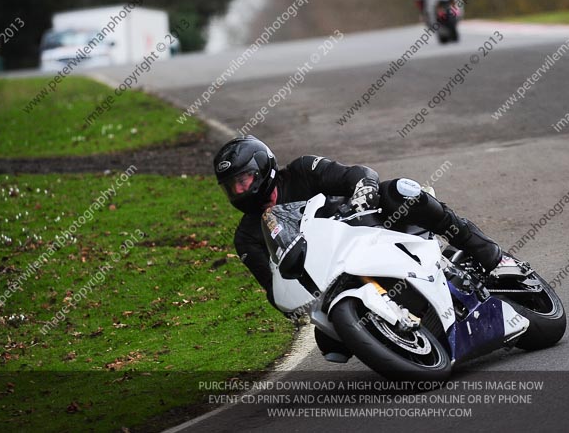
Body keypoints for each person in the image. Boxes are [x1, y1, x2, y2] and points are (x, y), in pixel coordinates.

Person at [214, 136, 508, 362]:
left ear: (263, 167)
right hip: (329, 278)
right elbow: (273, 284)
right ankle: (393, 335)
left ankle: (482, 249)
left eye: (244, 179)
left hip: (371, 229)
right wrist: (292, 304)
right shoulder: (246, 238)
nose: (239, 191)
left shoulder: (303, 170)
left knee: (402, 192)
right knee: (331, 345)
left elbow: (353, 174)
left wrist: (364, 187)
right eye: (232, 186)